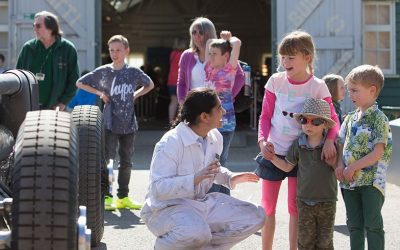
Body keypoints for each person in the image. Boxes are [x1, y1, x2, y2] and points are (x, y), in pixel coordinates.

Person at [140, 88, 266, 250]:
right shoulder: (171, 142)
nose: (224, 111)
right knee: (198, 232)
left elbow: (212, 170)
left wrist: (230, 178)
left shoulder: (215, 137)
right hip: (164, 210)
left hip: (198, 204)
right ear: (204, 117)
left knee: (256, 216)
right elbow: (158, 189)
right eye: (219, 108)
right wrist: (194, 178)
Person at [256, 30, 340, 250]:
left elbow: (333, 119)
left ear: (307, 58)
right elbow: (265, 116)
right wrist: (263, 141)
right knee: (267, 208)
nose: (285, 62)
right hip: (273, 152)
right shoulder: (275, 81)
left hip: (303, 156)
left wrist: (330, 139)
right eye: (282, 57)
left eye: (291, 57)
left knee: (295, 208)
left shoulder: (317, 86)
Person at [76, 35, 154, 211]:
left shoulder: (133, 72)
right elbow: (80, 83)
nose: (114, 53)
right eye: (111, 50)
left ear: (127, 51)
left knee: (126, 161)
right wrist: (100, 93)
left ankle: (123, 196)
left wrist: (136, 94)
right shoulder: (104, 71)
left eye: (118, 50)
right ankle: (107, 196)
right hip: (110, 123)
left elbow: (150, 84)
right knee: (108, 160)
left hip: (129, 124)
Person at [177, 17, 245, 195]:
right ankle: (208, 197)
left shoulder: (229, 70)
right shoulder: (208, 68)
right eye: (194, 32)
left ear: (225, 56)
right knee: (207, 161)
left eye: (215, 53)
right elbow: (182, 82)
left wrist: (229, 40)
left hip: (225, 122)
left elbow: (237, 45)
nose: (211, 56)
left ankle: (222, 198)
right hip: (206, 121)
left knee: (220, 162)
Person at [266, 98, 337, 250]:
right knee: (305, 241)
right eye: (305, 120)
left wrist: (335, 164)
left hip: (327, 200)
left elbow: (340, 169)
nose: (308, 125)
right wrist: (271, 157)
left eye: (315, 121)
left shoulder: (331, 145)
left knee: (325, 242)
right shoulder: (298, 144)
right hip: (304, 201)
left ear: (325, 124)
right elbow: (286, 166)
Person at [335, 65, 392, 250]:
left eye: (354, 90)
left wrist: (352, 167)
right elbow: (341, 144)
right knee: (354, 225)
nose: (350, 94)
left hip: (370, 183)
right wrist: (339, 165)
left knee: (373, 225)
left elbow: (377, 152)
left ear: (372, 90)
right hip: (349, 182)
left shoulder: (379, 118)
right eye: (349, 89)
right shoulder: (349, 118)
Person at [16, 10, 79, 110]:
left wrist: (63, 103)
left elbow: (74, 80)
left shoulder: (67, 49)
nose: (34, 29)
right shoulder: (28, 48)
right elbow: (18, 77)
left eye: (38, 26)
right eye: (34, 25)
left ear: (50, 28)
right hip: (29, 108)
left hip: (56, 109)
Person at [167, 37, 186, 123]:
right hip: (180, 81)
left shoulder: (172, 54)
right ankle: (182, 120)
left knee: (173, 101)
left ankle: (171, 120)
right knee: (182, 101)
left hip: (171, 81)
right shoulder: (183, 54)